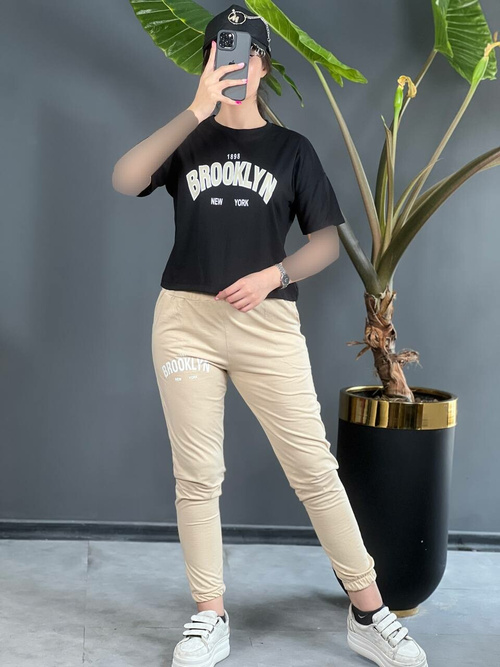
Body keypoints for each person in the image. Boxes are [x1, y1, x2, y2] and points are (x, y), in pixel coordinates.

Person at [112, 5, 428, 667]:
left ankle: (369, 612)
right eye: (219, 51)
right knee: (197, 476)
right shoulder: (188, 140)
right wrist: (195, 109)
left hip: (268, 326)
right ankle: (209, 615)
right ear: (207, 62)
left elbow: (324, 244)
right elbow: (127, 177)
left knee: (313, 470)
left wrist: (274, 274)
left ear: (263, 64)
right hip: (186, 324)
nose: (233, 63)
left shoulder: (292, 150)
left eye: (245, 53)